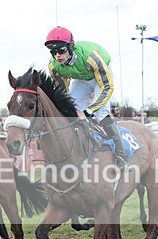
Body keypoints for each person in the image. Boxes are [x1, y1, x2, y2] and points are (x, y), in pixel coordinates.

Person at [44, 26, 128, 169]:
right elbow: (63, 92)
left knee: (100, 114)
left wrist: (89, 111)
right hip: (81, 79)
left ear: (71, 47)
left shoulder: (92, 57)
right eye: (53, 52)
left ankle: (122, 156)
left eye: (61, 50)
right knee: (71, 107)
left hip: (100, 78)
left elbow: (106, 87)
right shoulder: (54, 66)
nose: (57, 55)